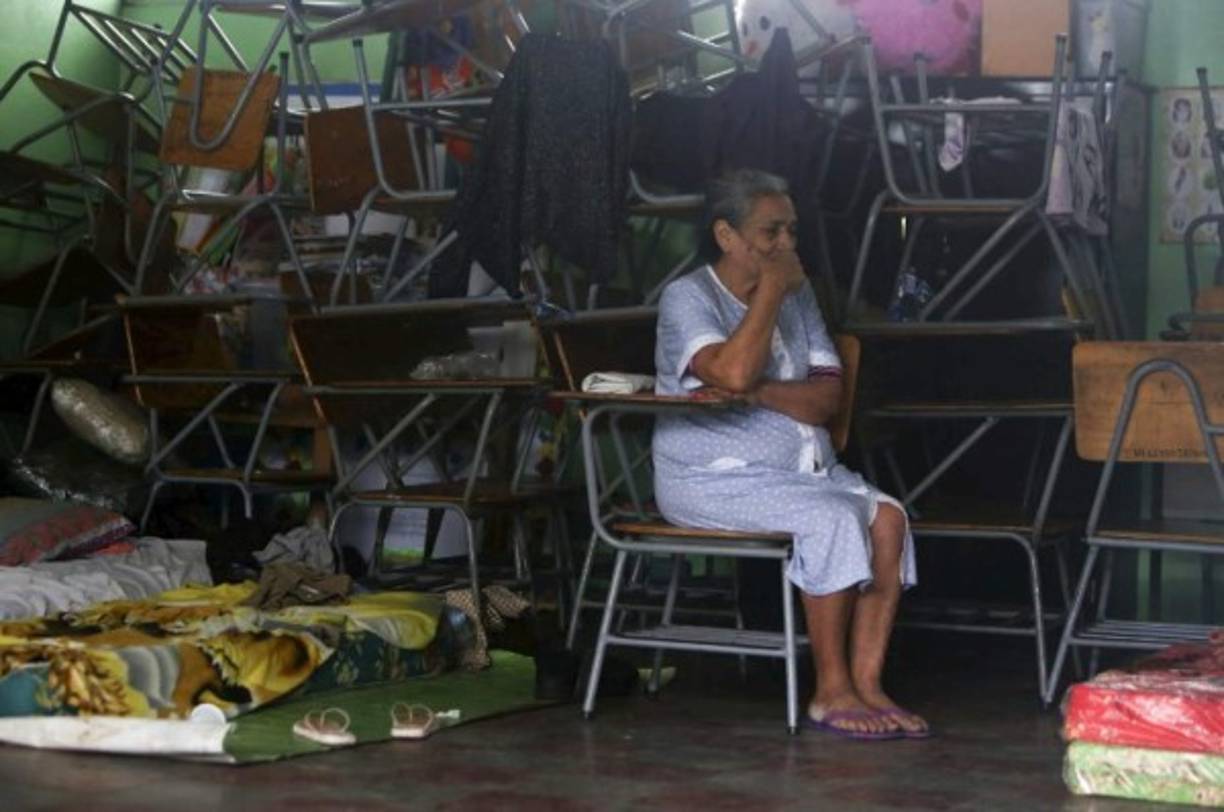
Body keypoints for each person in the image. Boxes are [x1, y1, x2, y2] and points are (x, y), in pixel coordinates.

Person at [652, 168, 927, 739]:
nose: (786, 247)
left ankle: (867, 685)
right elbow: (728, 368)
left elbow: (827, 398)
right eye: (770, 233)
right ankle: (830, 692)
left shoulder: (801, 303)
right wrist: (772, 291)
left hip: (799, 473)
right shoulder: (689, 297)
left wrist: (754, 393)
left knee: (888, 518)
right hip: (710, 478)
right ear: (726, 236)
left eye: (791, 233)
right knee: (830, 518)